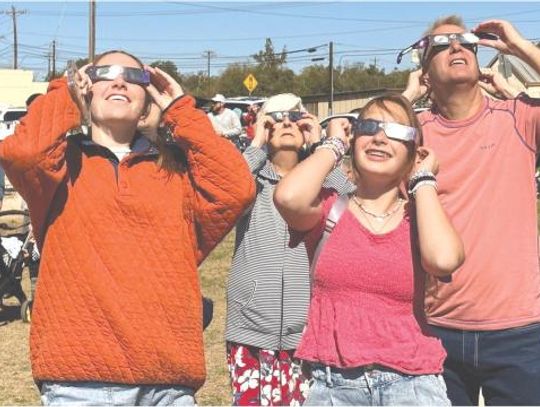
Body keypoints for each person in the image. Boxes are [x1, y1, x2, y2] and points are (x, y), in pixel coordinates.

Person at [0, 50, 255, 406]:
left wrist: (181, 112)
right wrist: (66, 93)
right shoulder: (59, 167)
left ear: (149, 97)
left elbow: (236, 189)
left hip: (169, 384)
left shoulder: (175, 171)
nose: (120, 80)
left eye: (134, 76)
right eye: (106, 73)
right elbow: (21, 153)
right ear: (88, 86)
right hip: (79, 384)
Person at [274, 93, 464, 406]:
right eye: (369, 126)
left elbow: (443, 259)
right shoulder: (329, 209)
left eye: (396, 131)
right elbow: (288, 197)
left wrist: (423, 178)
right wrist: (333, 145)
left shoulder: (421, 216)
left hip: (412, 385)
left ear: (414, 151)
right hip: (333, 385)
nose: (379, 137)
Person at [401, 16, 540, 405]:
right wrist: (406, 99)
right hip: (434, 327)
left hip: (519, 331)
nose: (457, 49)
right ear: (425, 70)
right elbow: (357, 154)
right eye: (441, 45)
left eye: (464, 42)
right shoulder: (412, 133)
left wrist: (521, 47)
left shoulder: (520, 117)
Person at [225, 93, 355, 406]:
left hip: (309, 330)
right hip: (250, 330)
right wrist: (255, 145)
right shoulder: (252, 181)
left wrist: (323, 150)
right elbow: (226, 191)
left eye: (295, 117)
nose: (286, 123)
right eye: (276, 118)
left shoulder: (322, 183)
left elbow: (353, 206)